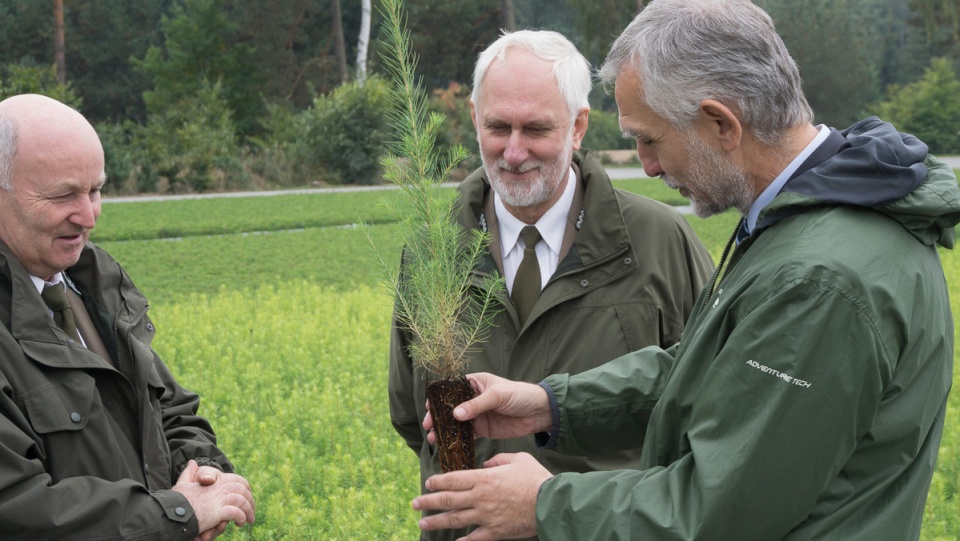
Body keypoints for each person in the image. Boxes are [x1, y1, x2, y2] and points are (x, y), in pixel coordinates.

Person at [410, 1, 960, 540]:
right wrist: (551, 404)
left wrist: (547, 503)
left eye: (650, 139)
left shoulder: (820, 281)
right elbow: (713, 370)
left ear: (720, 122)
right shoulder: (806, 225)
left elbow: (723, 510)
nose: (647, 166)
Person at [388, 30, 713, 540]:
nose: (513, 152)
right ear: (474, 116)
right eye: (497, 127)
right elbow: (410, 416)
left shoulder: (659, 242)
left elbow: (710, 406)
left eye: (535, 129)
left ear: (578, 125)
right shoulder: (433, 253)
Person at [0, 94, 255, 540]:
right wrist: (174, 514)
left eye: (96, 190)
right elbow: (16, 508)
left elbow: (171, 410)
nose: (89, 216)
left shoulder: (91, 286)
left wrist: (204, 476)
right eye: (63, 195)